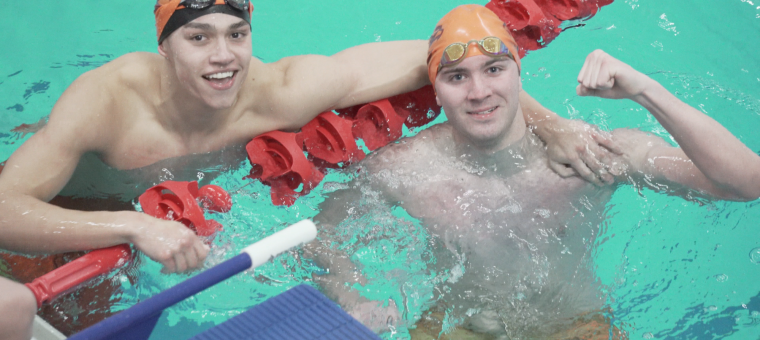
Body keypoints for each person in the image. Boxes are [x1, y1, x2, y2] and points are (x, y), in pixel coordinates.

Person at [0, 0, 611, 335]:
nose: (224, 58)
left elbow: (454, 59)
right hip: (58, 220)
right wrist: (133, 227)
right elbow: (6, 210)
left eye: (237, 34)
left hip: (162, 218)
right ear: (164, 44)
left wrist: (551, 123)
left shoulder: (281, 90)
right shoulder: (105, 101)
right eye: (199, 38)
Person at [308, 5, 760, 339]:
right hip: (455, 331)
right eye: (457, 77)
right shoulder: (404, 167)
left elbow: (744, 184)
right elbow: (317, 233)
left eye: (494, 68)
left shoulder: (591, 154)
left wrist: (647, 92)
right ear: (436, 91)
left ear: (518, 72)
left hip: (578, 328)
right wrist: (354, 299)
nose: (479, 92)